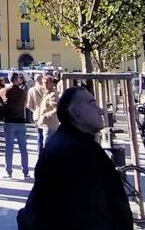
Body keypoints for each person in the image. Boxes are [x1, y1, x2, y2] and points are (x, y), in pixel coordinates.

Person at [17, 86, 133, 230]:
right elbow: (89, 215)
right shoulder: (75, 153)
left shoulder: (76, 145)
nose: (100, 110)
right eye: (92, 104)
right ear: (75, 112)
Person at [0, 72, 30, 179]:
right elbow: (25, 104)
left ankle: (8, 171)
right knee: (23, 148)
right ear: (18, 80)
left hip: (9, 121)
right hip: (20, 121)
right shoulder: (22, 92)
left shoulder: (4, 91)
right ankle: (25, 172)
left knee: (9, 148)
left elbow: (1, 101)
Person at [35, 76, 61, 142]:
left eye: (47, 83)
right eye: (44, 83)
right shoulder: (47, 93)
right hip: (45, 124)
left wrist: (46, 115)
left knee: (47, 145)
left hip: (50, 125)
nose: (45, 85)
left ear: (52, 83)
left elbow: (57, 109)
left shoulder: (53, 94)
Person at [26, 74, 47, 151]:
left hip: (37, 115)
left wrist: (34, 110)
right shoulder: (47, 89)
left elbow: (29, 105)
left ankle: (40, 153)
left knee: (40, 135)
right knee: (48, 135)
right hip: (47, 114)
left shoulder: (31, 90)